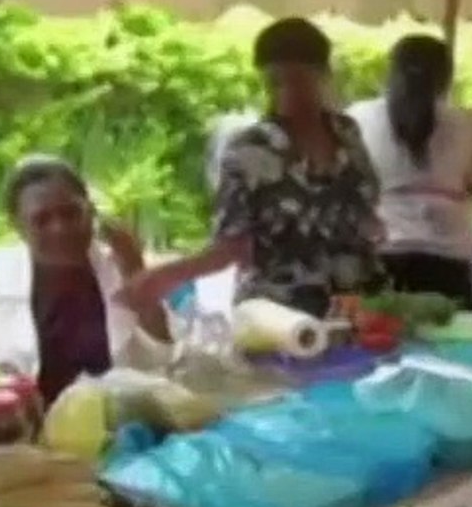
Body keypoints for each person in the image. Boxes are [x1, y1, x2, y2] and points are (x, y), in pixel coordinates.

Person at [116, 18, 387, 318]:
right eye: (274, 82)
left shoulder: (347, 133)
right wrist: (168, 275)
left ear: (323, 75)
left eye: (297, 80)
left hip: (355, 307)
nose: (285, 92)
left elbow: (366, 207)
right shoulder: (249, 151)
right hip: (278, 314)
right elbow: (230, 246)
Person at [0, 155, 173, 406]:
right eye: (42, 220)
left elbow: (166, 357)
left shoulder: (121, 265)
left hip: (119, 426)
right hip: (16, 432)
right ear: (18, 226)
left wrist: (136, 274)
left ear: (91, 212)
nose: (60, 229)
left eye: (71, 213)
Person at [348, 35, 472, 310]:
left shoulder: (357, 118)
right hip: (448, 264)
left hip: (378, 256)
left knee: (380, 346)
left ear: (390, 73)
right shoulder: (469, 125)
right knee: (449, 348)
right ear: (447, 80)